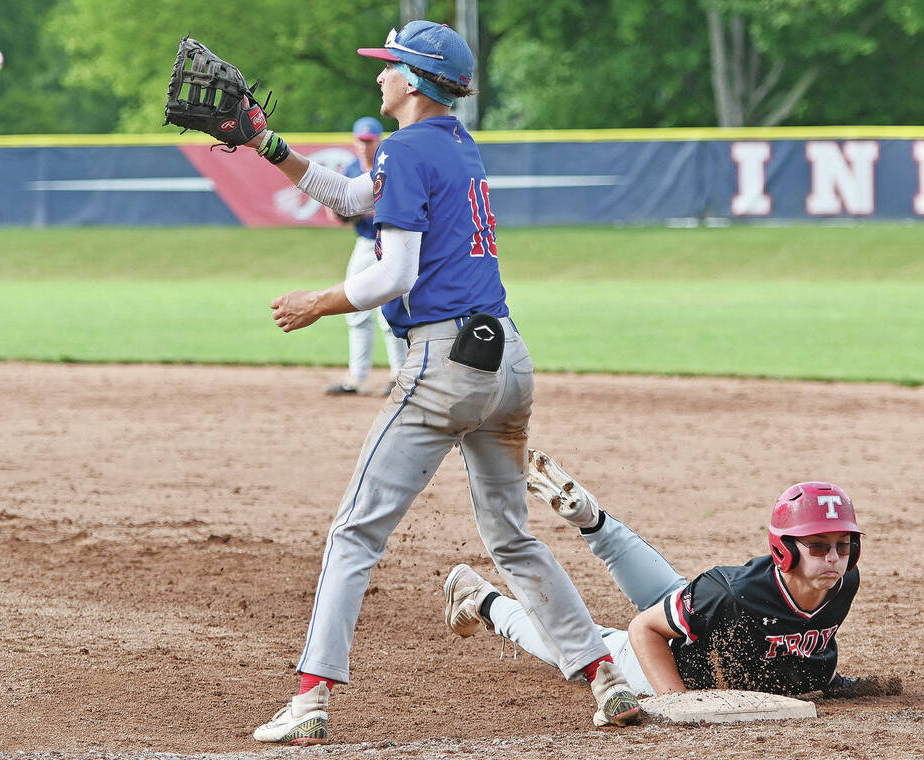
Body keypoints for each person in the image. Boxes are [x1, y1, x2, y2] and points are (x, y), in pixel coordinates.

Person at [238, 20, 641, 746]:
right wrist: (271, 148)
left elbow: (395, 274)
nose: (381, 75)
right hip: (506, 359)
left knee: (355, 532)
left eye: (391, 66)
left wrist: (318, 302)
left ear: (417, 81)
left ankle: (310, 699)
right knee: (512, 538)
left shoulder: (403, 146)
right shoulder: (454, 145)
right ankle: (605, 677)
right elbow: (358, 198)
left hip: (443, 364)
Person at [444, 449, 877, 699]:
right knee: (579, 650)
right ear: (785, 549)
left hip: (705, 627)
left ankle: (590, 519)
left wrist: (826, 679)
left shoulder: (841, 583)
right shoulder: (732, 593)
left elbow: (800, 638)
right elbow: (644, 629)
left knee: (678, 596)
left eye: (843, 546)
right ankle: (482, 600)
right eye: (817, 546)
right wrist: (678, 704)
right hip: (660, 660)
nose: (833, 558)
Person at [325, 116, 408, 397]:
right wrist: (344, 212)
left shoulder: (390, 164)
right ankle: (356, 378)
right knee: (354, 309)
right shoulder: (349, 169)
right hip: (364, 244)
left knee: (390, 313)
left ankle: (399, 375)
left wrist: (362, 209)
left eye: (369, 140)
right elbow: (338, 214)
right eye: (360, 140)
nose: (364, 145)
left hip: (392, 244)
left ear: (379, 140)